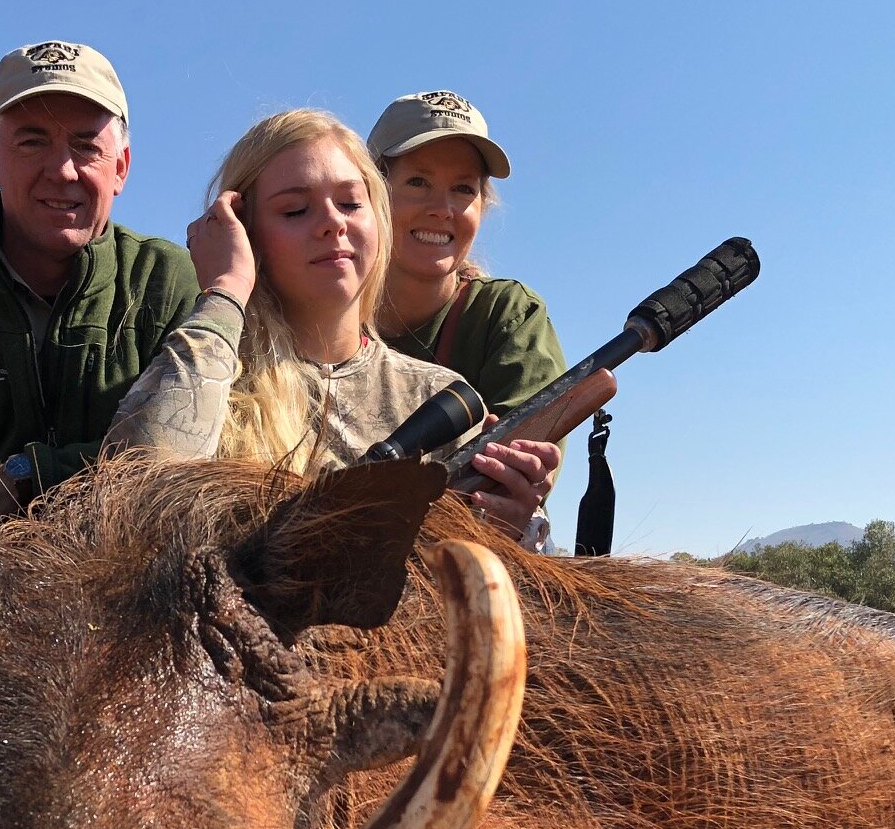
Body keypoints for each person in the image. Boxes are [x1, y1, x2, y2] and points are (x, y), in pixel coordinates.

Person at [104, 110, 557, 536]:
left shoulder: (439, 398)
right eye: (295, 211)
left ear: (378, 220)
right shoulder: (208, 376)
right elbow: (136, 510)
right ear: (243, 231)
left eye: (349, 203)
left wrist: (507, 530)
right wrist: (226, 290)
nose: (331, 224)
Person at [0, 41, 199, 529]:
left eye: (86, 146)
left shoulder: (170, 280)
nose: (62, 169)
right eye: (32, 142)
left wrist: (26, 473)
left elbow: (186, 455)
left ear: (121, 167)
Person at [366, 91, 566, 416]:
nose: (442, 210)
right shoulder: (319, 312)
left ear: (482, 207)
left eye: (463, 189)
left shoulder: (507, 316)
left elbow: (524, 448)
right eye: (418, 182)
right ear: (368, 192)